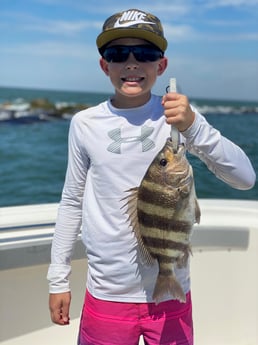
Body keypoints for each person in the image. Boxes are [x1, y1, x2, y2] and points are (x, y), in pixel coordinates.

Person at [47, 8, 256, 345]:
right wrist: (58, 279)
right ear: (105, 66)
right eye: (118, 54)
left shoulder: (177, 118)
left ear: (161, 66)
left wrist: (193, 125)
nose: (132, 63)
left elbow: (245, 177)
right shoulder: (85, 124)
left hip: (171, 292)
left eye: (145, 54)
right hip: (107, 292)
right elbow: (72, 201)